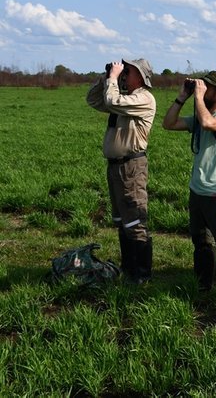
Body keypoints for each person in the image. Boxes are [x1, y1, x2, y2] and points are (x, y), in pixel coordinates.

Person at [162, 71, 216, 290]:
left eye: (207, 87)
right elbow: (168, 123)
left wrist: (198, 97)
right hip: (197, 190)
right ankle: (203, 285)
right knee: (200, 241)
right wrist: (181, 98)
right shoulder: (201, 116)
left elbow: (207, 122)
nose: (201, 91)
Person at [86, 59, 156, 283]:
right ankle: (129, 269)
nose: (124, 74)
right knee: (122, 221)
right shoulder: (124, 99)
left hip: (131, 168)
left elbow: (111, 100)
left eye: (128, 71)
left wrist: (114, 79)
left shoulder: (143, 98)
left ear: (140, 77)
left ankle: (142, 276)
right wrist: (106, 78)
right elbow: (94, 100)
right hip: (116, 167)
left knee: (135, 222)